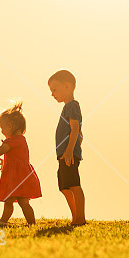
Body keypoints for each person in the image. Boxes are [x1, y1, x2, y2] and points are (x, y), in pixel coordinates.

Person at [48, 70, 86, 226]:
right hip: (64, 153)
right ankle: (75, 217)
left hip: (68, 153)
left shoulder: (72, 105)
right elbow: (81, 134)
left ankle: (80, 219)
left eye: (54, 90)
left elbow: (75, 128)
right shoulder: (68, 108)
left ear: (67, 86)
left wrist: (70, 150)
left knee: (74, 184)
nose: (52, 94)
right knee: (64, 186)